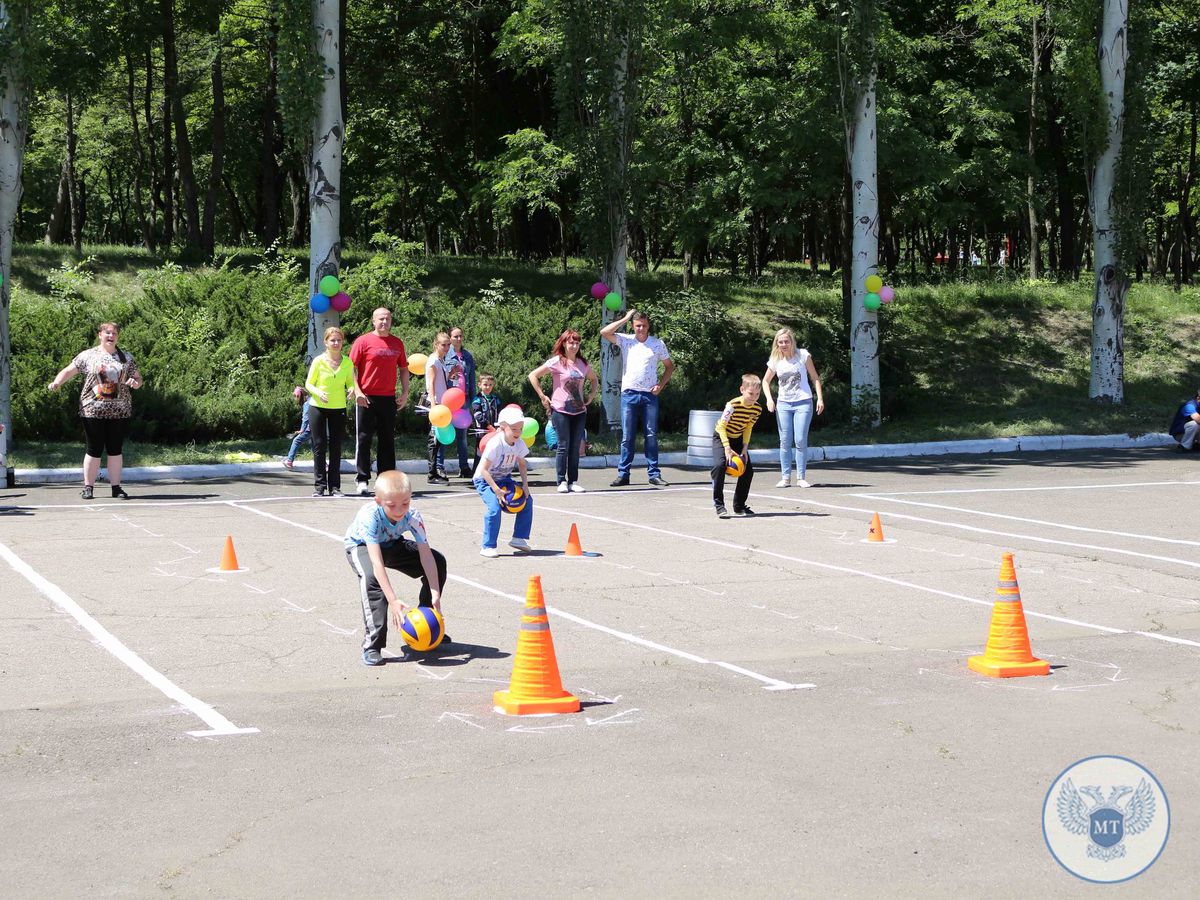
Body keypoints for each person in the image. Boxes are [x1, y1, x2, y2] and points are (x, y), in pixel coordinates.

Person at [344, 470, 447, 666]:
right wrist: (392, 600)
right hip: (361, 546)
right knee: (372, 580)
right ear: (379, 501)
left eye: (405, 503)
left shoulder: (413, 516)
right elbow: (377, 563)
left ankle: (426, 625)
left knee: (438, 560)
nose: (400, 510)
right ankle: (372, 645)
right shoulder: (370, 516)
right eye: (392, 505)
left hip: (392, 544)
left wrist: (435, 594)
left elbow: (426, 556)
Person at [47, 322, 143, 500]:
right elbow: (69, 370)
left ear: (118, 336)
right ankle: (88, 487)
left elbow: (138, 379)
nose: (111, 336)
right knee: (94, 449)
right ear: (100, 334)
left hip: (119, 410)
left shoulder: (126, 358)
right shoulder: (88, 355)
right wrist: (57, 382)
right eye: (107, 332)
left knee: (115, 449)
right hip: (92, 409)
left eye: (114, 333)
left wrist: (135, 383)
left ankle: (116, 488)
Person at [600, 308, 674, 487]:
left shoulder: (657, 344)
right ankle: (623, 474)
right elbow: (604, 332)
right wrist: (625, 318)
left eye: (644, 326)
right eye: (637, 325)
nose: (641, 329)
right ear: (633, 326)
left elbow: (669, 367)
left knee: (651, 434)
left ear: (648, 326)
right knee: (627, 436)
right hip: (629, 394)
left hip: (649, 395)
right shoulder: (627, 341)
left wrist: (660, 386)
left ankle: (654, 473)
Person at [528, 328, 599, 493]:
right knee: (563, 445)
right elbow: (533, 375)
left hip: (579, 411)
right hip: (560, 410)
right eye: (571, 342)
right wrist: (542, 395)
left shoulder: (583, 363)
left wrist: (591, 394)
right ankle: (561, 481)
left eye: (576, 342)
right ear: (564, 343)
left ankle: (573, 481)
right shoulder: (556, 362)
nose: (574, 345)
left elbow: (594, 379)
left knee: (575, 447)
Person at [350, 307, 409, 495]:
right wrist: (358, 391)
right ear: (373, 321)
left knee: (387, 440)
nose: (384, 322)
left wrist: (405, 392)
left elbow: (404, 369)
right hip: (366, 398)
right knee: (364, 439)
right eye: (381, 319)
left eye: (388, 319)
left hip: (388, 398)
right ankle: (362, 479)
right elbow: (350, 368)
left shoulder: (397, 343)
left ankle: (386, 480)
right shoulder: (363, 341)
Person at [761, 327, 824, 489]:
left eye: (786, 341)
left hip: (803, 401)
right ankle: (786, 477)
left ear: (792, 342)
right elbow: (765, 381)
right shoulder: (775, 360)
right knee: (784, 440)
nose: (783, 344)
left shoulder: (802, 355)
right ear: (777, 344)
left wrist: (820, 399)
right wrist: (769, 399)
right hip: (783, 404)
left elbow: (815, 378)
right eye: (780, 342)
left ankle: (801, 477)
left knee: (800, 439)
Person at [305, 326, 360, 497]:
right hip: (318, 407)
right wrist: (318, 392)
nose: (336, 343)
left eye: (339, 340)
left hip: (338, 408)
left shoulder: (347, 362)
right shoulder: (318, 361)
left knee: (336, 447)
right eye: (332, 340)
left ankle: (335, 486)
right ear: (326, 342)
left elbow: (350, 382)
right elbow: (308, 384)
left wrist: (351, 389)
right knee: (319, 446)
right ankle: (319, 486)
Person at [473, 406, 533, 558]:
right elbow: (484, 471)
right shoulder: (495, 444)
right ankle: (488, 546)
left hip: (504, 479)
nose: (518, 433)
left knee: (528, 500)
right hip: (485, 480)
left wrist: (525, 486)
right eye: (514, 429)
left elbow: (522, 464)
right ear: (502, 427)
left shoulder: (519, 443)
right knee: (494, 508)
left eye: (520, 428)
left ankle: (518, 538)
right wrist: (496, 490)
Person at [712, 375, 762, 518]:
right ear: (742, 390)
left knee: (748, 471)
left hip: (738, 439)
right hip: (721, 437)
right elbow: (721, 427)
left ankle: (739, 506)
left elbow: (748, 427)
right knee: (719, 466)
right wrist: (727, 447)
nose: (754, 397)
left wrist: (745, 448)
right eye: (751, 394)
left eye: (757, 394)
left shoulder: (757, 409)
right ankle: (719, 505)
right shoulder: (732, 405)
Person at [424, 332, 458, 485]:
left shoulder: (441, 361)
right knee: (434, 439)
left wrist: (451, 374)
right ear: (436, 344)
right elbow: (430, 384)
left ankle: (435, 472)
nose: (446, 347)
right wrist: (433, 406)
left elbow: (440, 381)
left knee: (438, 440)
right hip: (436, 405)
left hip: (442, 404)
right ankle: (432, 475)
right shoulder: (433, 361)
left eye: (448, 345)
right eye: (443, 345)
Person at [446, 326, 476, 477]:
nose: (459, 339)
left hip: (463, 400)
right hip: (448, 400)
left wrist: (472, 399)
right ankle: (439, 467)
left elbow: (472, 379)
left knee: (462, 436)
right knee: (443, 433)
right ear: (449, 338)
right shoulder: (445, 355)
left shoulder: (467, 356)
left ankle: (464, 467)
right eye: (455, 336)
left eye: (460, 336)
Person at [470, 373, 502, 471]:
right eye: (485, 384)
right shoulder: (477, 399)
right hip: (482, 431)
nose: (488, 387)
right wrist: (488, 426)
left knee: (493, 452)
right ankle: (477, 473)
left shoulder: (496, 399)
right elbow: (478, 415)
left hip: (495, 431)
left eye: (490, 385)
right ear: (479, 385)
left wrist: (499, 426)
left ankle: (491, 472)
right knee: (480, 452)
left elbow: (501, 413)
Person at [283, 386, 311, 469]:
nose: (295, 398)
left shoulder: (306, 404)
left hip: (310, 428)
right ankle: (324, 466)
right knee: (316, 448)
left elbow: (306, 418)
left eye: (296, 396)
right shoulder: (312, 401)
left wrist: (302, 429)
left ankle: (289, 461)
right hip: (317, 427)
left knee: (296, 440)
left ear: (301, 396)